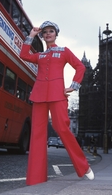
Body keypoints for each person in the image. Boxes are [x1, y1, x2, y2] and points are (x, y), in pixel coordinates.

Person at [20, 21, 94, 185]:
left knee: (62, 128)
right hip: (39, 95)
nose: (48, 34)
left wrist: (74, 86)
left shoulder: (64, 51)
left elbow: (80, 67)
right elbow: (24, 55)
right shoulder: (40, 55)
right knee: (37, 135)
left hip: (57, 94)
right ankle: (35, 178)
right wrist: (31, 36)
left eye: (51, 31)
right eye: (45, 32)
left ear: (56, 34)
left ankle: (83, 167)